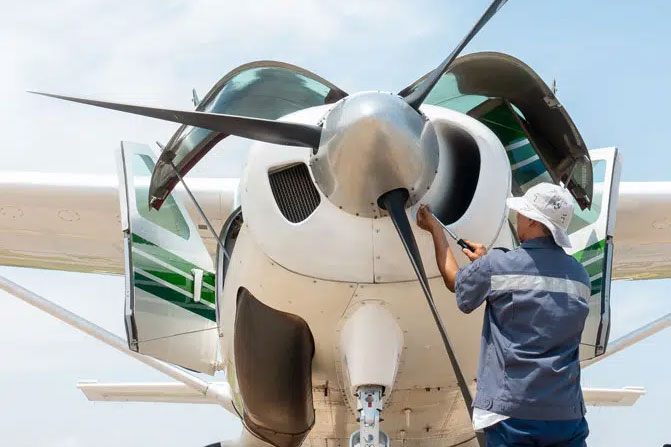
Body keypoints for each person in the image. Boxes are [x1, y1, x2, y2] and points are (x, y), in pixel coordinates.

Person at [416, 182, 591, 447]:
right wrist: (486, 267)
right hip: (566, 414)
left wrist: (437, 232)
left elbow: (455, 281)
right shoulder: (580, 276)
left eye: (522, 214)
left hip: (512, 413)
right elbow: (535, 288)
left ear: (533, 221)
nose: (517, 218)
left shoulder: (498, 266)